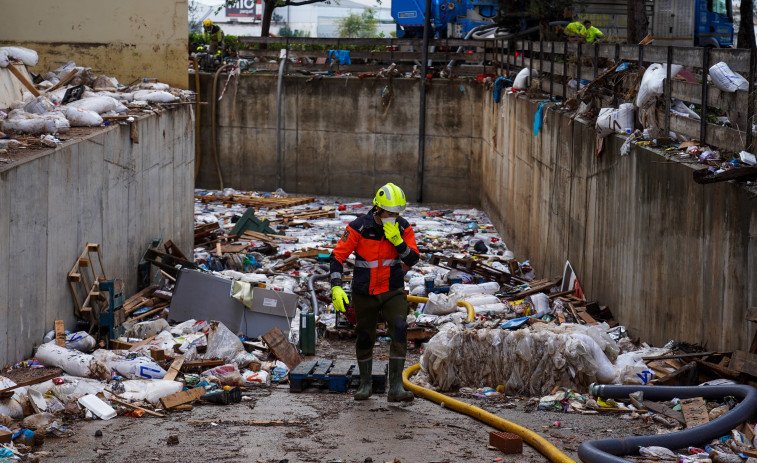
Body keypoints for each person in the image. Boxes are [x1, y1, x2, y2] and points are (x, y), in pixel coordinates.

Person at [330, 183, 420, 402]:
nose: (394, 217)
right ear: (378, 209)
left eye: (397, 213)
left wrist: (398, 242)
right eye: (390, 213)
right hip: (364, 292)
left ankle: (396, 387)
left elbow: (413, 259)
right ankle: (365, 384)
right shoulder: (359, 227)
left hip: (392, 290)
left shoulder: (403, 228)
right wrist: (336, 286)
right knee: (364, 336)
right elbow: (337, 256)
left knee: (400, 327)